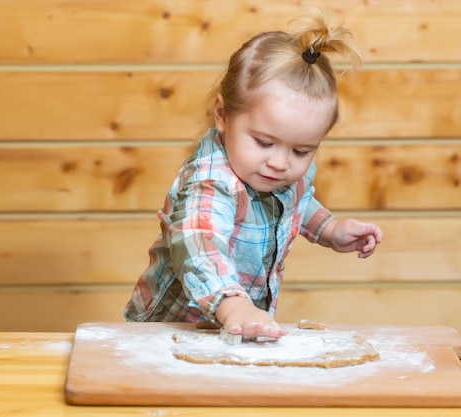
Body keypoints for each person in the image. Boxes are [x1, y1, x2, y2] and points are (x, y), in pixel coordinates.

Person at [124, 8, 382, 340]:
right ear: (222, 115)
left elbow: (295, 201)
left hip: (235, 324)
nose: (280, 163)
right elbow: (199, 243)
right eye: (263, 142)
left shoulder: (277, 173)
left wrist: (330, 229)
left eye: (301, 151)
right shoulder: (211, 181)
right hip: (171, 330)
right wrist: (234, 305)